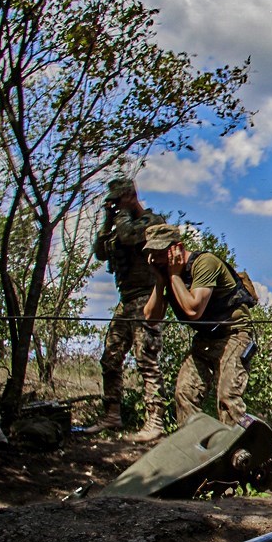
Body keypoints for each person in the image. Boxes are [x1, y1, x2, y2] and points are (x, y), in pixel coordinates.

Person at [142, 224, 258, 426]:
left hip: (234, 335)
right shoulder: (168, 274)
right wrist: (161, 280)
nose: (156, 258)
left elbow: (193, 311)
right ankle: (194, 448)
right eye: (152, 253)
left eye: (160, 252)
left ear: (177, 248)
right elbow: (151, 318)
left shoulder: (205, 263)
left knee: (228, 399)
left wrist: (175, 275)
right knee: (184, 393)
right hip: (206, 339)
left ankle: (237, 452)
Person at [88, 178, 167, 441]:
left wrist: (121, 215)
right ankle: (112, 415)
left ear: (131, 196)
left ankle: (155, 421)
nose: (115, 205)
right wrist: (106, 221)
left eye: (118, 200)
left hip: (147, 297)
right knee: (110, 357)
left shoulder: (151, 222)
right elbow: (100, 252)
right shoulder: (118, 225)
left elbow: (129, 236)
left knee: (146, 359)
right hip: (126, 300)